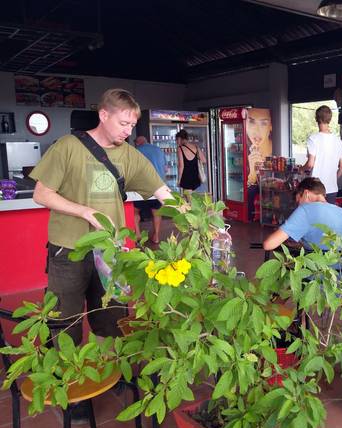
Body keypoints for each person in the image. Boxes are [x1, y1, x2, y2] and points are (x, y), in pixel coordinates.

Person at [30, 88, 172, 347]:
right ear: (104, 115)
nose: (128, 131)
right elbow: (41, 194)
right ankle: (65, 374)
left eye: (132, 124)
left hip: (111, 250)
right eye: (123, 123)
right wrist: (84, 211)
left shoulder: (129, 154)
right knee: (64, 317)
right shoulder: (67, 147)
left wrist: (195, 217)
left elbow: (162, 192)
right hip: (68, 248)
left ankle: (112, 371)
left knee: (114, 315)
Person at [263, 177, 342, 251]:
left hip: (319, 272)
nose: (298, 205)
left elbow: (268, 244)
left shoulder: (306, 210)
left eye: (298, 200)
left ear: (306, 193)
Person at [301, 105, 342, 204]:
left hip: (316, 189)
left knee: (315, 218)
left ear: (317, 119)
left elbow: (310, 164)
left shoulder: (313, 139)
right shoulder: (338, 141)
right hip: (332, 189)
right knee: (328, 218)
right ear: (329, 119)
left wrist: (300, 169)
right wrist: (333, 178)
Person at [133, 135, 166, 243]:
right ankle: (156, 236)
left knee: (135, 211)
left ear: (138, 143)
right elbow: (165, 168)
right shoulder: (158, 150)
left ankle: (138, 234)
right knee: (156, 212)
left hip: (141, 187)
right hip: (158, 186)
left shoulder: (136, 150)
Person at [246, 108, 273, 222]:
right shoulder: (246, 150)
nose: (256, 131)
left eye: (263, 123)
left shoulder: (272, 150)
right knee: (250, 191)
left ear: (270, 126)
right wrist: (252, 171)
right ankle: (251, 218)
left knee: (270, 193)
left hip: (267, 182)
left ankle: (268, 218)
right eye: (251, 122)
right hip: (255, 184)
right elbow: (250, 182)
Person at [177, 129, 208, 201]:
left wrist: (179, 180)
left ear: (181, 139)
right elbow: (204, 160)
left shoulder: (180, 149)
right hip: (195, 176)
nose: (177, 142)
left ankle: (193, 211)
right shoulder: (196, 147)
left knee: (189, 200)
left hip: (186, 177)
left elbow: (181, 166)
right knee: (191, 198)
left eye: (177, 140)